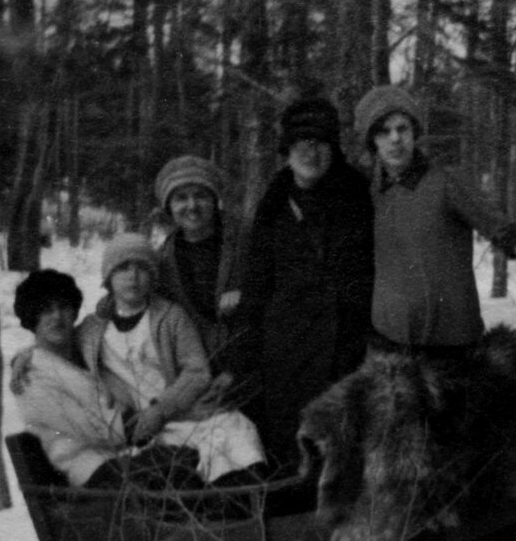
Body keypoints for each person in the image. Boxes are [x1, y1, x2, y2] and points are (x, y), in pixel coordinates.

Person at [353, 84, 516, 356]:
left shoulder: (445, 183)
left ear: (414, 132)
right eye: (383, 131)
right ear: (372, 140)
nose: (395, 138)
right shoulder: (368, 193)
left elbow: (509, 234)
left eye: (402, 128)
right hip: (390, 348)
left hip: (451, 348)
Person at [232, 96, 375, 469]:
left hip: (347, 349)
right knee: (290, 448)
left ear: (333, 147)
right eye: (301, 143)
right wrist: (245, 352)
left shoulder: (359, 195)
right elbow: (257, 282)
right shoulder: (274, 203)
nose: (311, 152)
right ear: (287, 148)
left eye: (320, 143)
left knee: (344, 451)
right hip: (287, 350)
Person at [76, 233, 269, 486]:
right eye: (123, 268)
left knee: (236, 433)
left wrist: (161, 409)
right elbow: (59, 350)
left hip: (181, 413)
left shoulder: (170, 317)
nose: (133, 276)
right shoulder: (92, 330)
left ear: (153, 277)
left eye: (142, 268)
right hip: (137, 428)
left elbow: (197, 372)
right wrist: (29, 356)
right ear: (108, 277)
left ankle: (238, 501)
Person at [9, 268, 205, 490]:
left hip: (126, 456)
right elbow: (94, 428)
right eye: (45, 310)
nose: (57, 317)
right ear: (32, 317)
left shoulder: (83, 346)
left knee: (198, 456)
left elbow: (111, 311)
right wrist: (149, 421)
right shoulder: (30, 376)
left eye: (63, 307)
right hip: (89, 469)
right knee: (181, 464)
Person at [151, 154, 241, 367]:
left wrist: (246, 295)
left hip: (255, 363)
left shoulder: (246, 241)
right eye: (181, 198)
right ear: (169, 207)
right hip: (198, 368)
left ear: (214, 201)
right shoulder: (163, 261)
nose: (192, 205)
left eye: (201, 196)